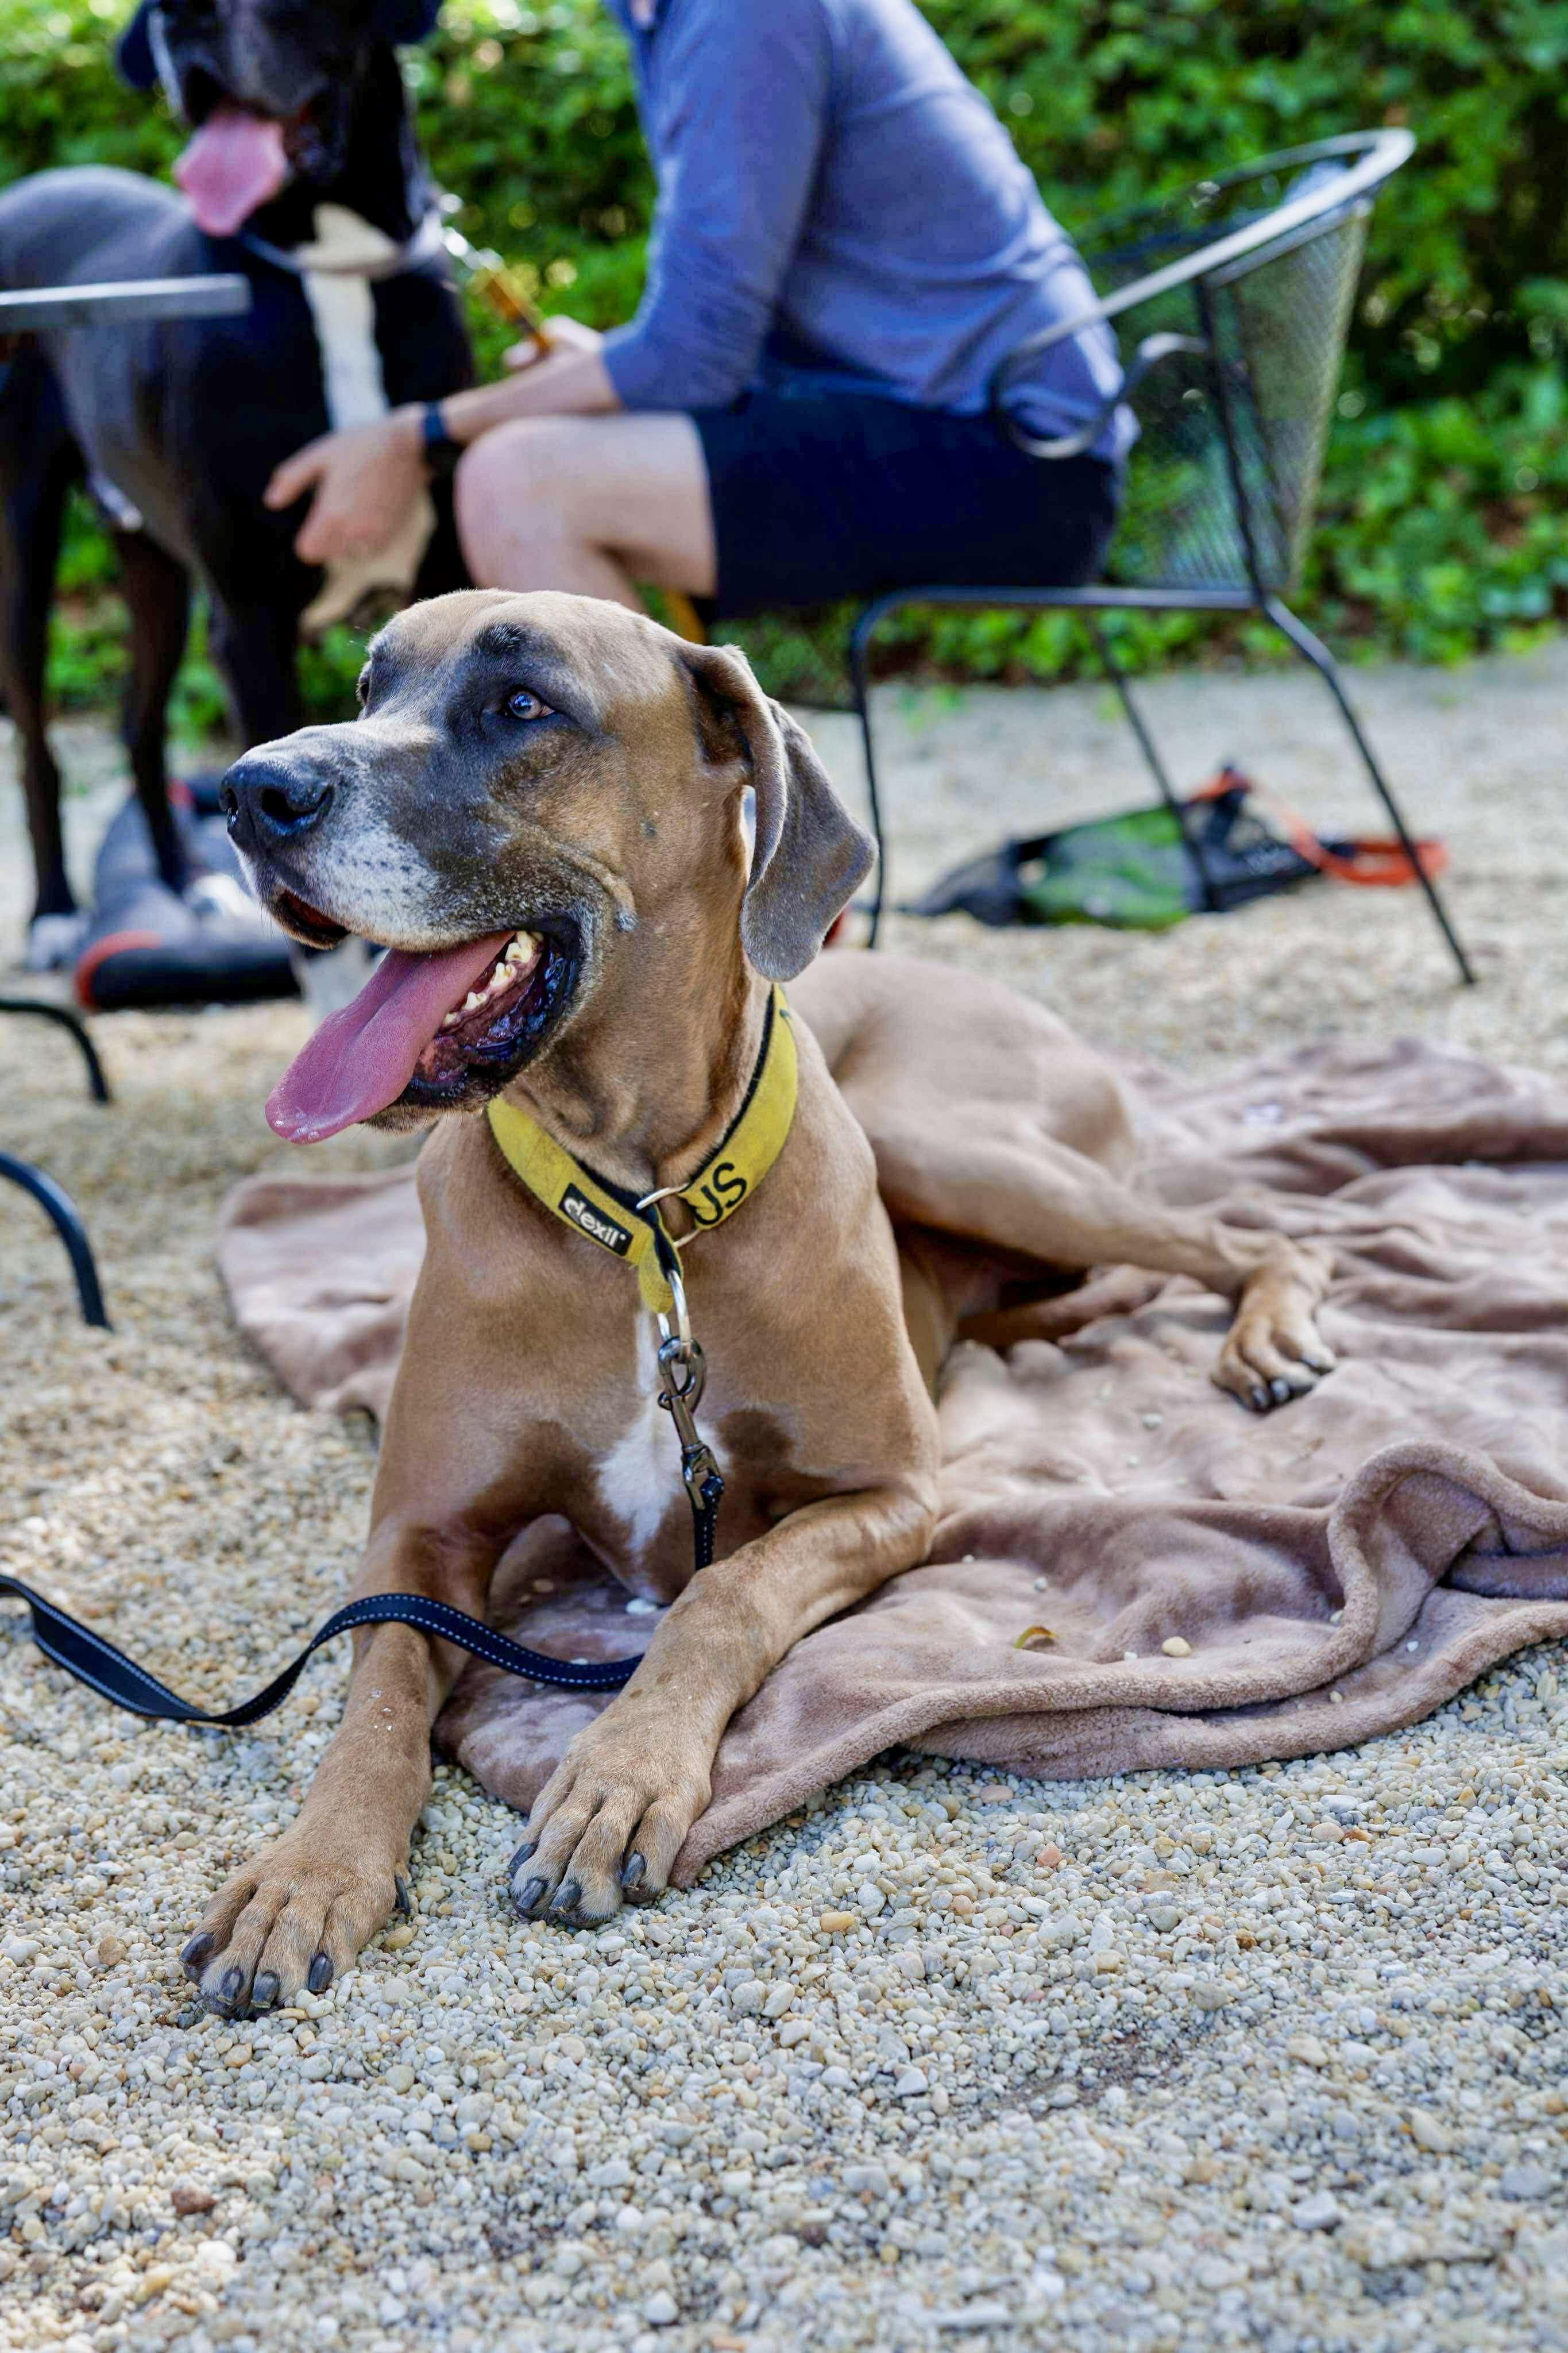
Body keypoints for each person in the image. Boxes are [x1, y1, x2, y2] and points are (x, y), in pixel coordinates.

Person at [267, 0, 1129, 618]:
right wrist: (610, 368)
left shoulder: (741, 16)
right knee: (533, 459)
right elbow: (709, 335)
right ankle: (712, 834)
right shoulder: (660, 18)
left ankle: (695, 859)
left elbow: (696, 355)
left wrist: (418, 432)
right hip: (920, 422)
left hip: (1020, 459)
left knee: (518, 483)